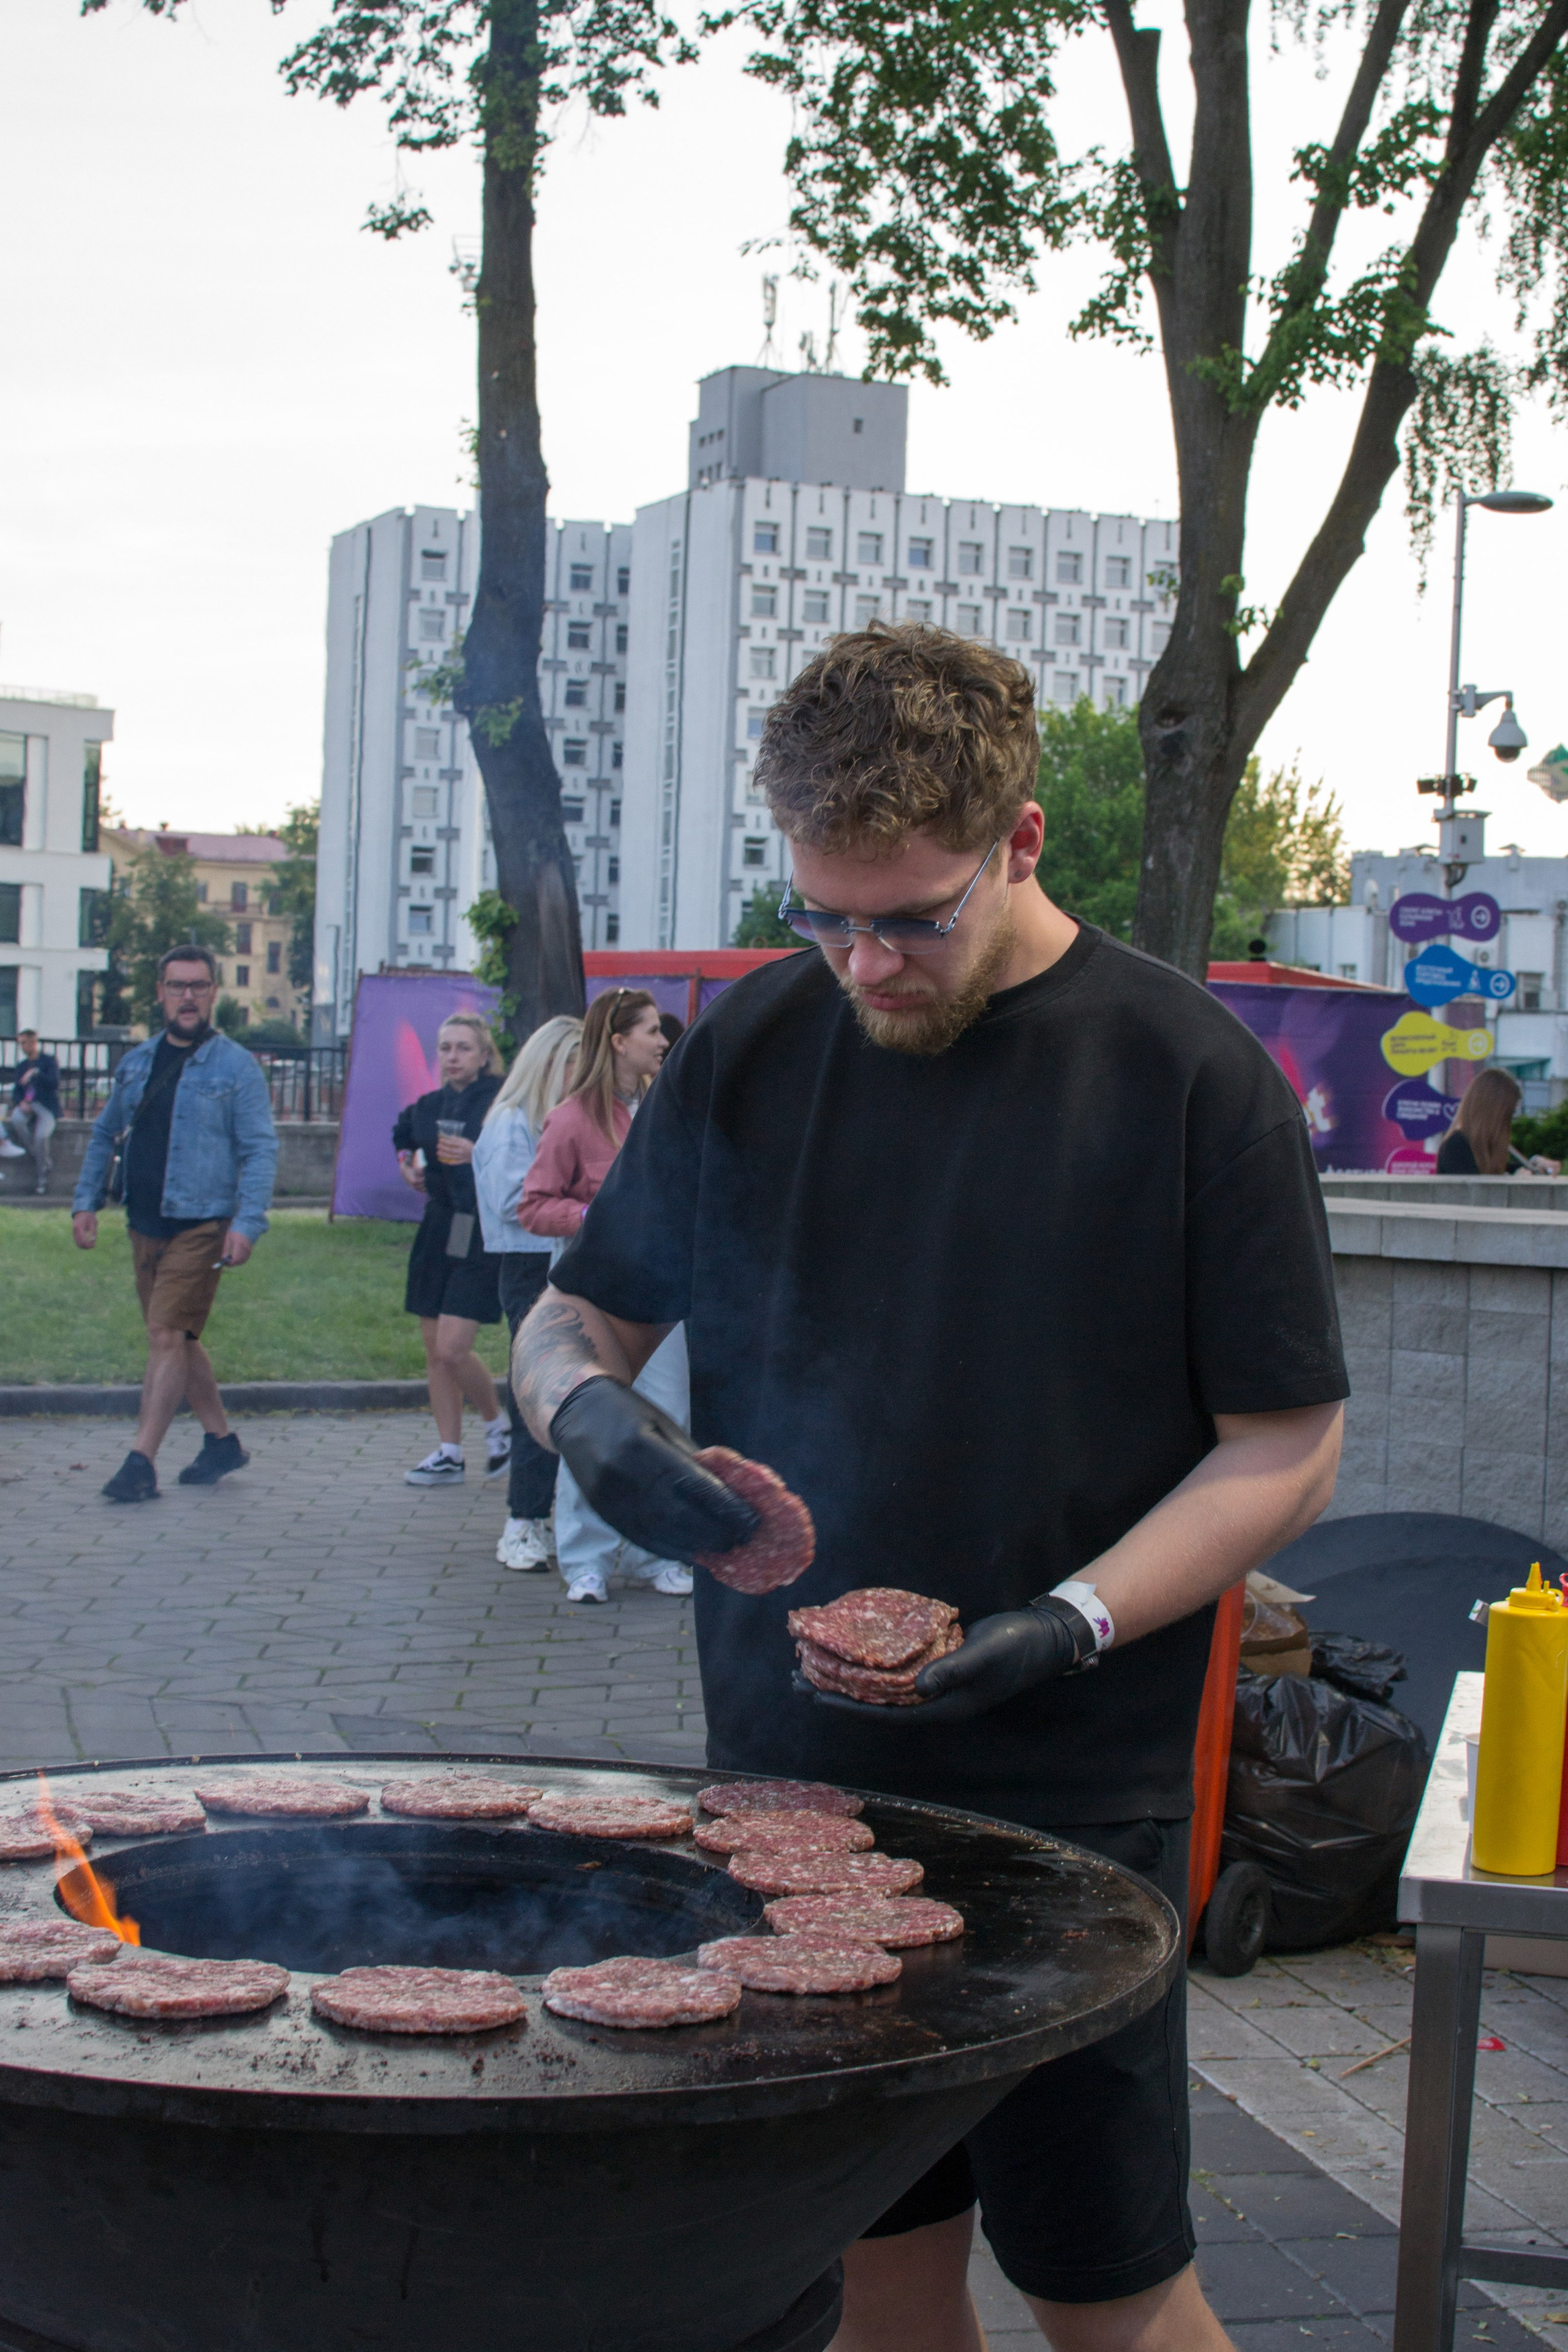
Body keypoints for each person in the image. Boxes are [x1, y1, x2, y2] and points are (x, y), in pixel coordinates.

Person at [513, 625, 1347, 2352]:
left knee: (1105, 2286)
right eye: (822, 914)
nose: (864, 963)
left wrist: (1070, 1620)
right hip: (793, 1788)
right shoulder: (753, 1041)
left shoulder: (1187, 1077)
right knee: (875, 2274)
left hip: (1072, 1806)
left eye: (912, 917)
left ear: (1023, 842)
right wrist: (580, 1411)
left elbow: (1287, 1445)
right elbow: (573, 1312)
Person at [72, 945, 278, 1503]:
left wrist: (247, 1223)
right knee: (179, 1337)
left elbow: (260, 1151)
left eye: (199, 986)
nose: (188, 996)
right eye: (177, 985)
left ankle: (141, 1462)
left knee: (165, 1335)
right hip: (144, 1221)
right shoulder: (137, 1062)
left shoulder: (236, 1068)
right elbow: (102, 1133)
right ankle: (221, 1442)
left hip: (202, 1223)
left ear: (214, 993)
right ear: (161, 992)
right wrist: (85, 1201)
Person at [519, 987, 694, 1606]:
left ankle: (659, 1555)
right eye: (651, 1031)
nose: (663, 1041)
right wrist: (604, 1215)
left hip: (663, 1297)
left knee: (665, 1429)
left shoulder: (662, 1109)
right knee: (597, 1426)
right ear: (618, 1041)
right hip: (594, 1299)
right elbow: (533, 1206)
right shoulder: (570, 1118)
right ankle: (586, 1560)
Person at [473, 1012, 583, 1568]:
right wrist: (585, 1206)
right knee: (537, 1396)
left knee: (574, 1397)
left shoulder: (568, 1119)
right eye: (575, 1063)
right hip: (528, 1266)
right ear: (551, 1063)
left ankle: (567, 1518)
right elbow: (512, 1204)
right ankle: (523, 1521)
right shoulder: (512, 1121)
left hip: (566, 1262)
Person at [394, 1011, 512, 1488]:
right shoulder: (428, 1105)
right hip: (438, 1226)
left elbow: (527, 1152)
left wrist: (476, 1153)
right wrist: (408, 1165)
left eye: (463, 1048)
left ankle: (497, 1428)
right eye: (445, 1048)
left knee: (453, 1346)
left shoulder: (502, 1101)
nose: (453, 1057)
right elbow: (402, 1135)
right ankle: (448, 1452)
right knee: (434, 1350)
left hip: (481, 1227)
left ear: (484, 1055)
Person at [1436, 1065, 1560, 1175]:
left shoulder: (1481, 1147)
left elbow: (1505, 1171)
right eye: (1508, 1115)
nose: (1508, 1124)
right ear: (1494, 1115)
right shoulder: (1456, 1146)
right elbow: (1475, 1193)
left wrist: (1536, 1165)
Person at [5, 1030, 61, 1194]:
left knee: (41, 1136)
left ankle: (42, 1175)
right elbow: (17, 1091)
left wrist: (36, 1073)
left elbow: (54, 1083)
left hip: (45, 1106)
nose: (22, 1047)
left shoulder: (48, 1061)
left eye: (24, 1043)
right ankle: (41, 1159)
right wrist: (21, 1102)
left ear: (33, 1042)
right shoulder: (22, 1066)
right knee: (17, 1119)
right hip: (28, 1105)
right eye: (20, 1043)